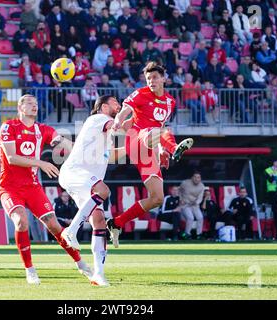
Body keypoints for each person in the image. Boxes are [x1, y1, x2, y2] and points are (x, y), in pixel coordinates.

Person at [0, 94, 92, 285]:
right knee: (21, 222)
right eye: (30, 103)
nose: (35, 106)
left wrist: (87, 150)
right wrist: (40, 163)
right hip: (10, 187)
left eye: (36, 104)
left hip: (32, 187)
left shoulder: (43, 130)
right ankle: (30, 270)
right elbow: (12, 158)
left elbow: (66, 145)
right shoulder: (9, 127)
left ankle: (81, 264)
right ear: (20, 107)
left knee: (54, 226)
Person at [106, 62, 194, 247]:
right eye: (148, 78)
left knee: (157, 198)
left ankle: (117, 223)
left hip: (149, 148)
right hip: (135, 139)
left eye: (155, 77)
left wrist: (161, 150)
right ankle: (175, 148)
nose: (151, 81)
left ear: (164, 78)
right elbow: (125, 111)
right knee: (157, 132)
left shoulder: (170, 101)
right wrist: (117, 122)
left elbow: (160, 126)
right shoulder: (140, 93)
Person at [59, 95, 123, 286]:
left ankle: (99, 274)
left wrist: (139, 143)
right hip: (75, 173)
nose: (119, 106)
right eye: (115, 103)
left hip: (84, 180)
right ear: (104, 107)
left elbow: (111, 156)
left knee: (99, 221)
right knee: (104, 190)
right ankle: (71, 231)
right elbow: (120, 125)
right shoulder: (98, 119)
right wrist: (137, 116)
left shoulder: (105, 132)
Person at [179, 172, 205, 240]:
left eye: (198, 177)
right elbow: (179, 191)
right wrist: (180, 199)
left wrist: (196, 202)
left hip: (195, 205)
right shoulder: (185, 183)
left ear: (200, 179)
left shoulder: (202, 186)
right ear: (192, 178)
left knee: (200, 217)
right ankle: (187, 234)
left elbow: (200, 197)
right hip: (185, 204)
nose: (197, 179)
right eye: (195, 177)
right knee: (190, 218)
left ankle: (199, 234)